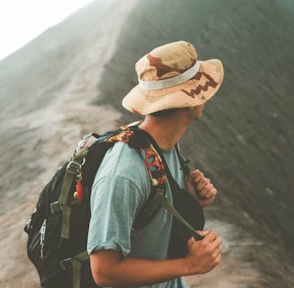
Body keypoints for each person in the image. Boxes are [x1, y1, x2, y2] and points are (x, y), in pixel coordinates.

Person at [87, 40, 224, 287]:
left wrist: (190, 199)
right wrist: (190, 266)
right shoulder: (124, 174)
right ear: (190, 100)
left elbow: (152, 227)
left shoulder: (160, 144)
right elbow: (104, 272)